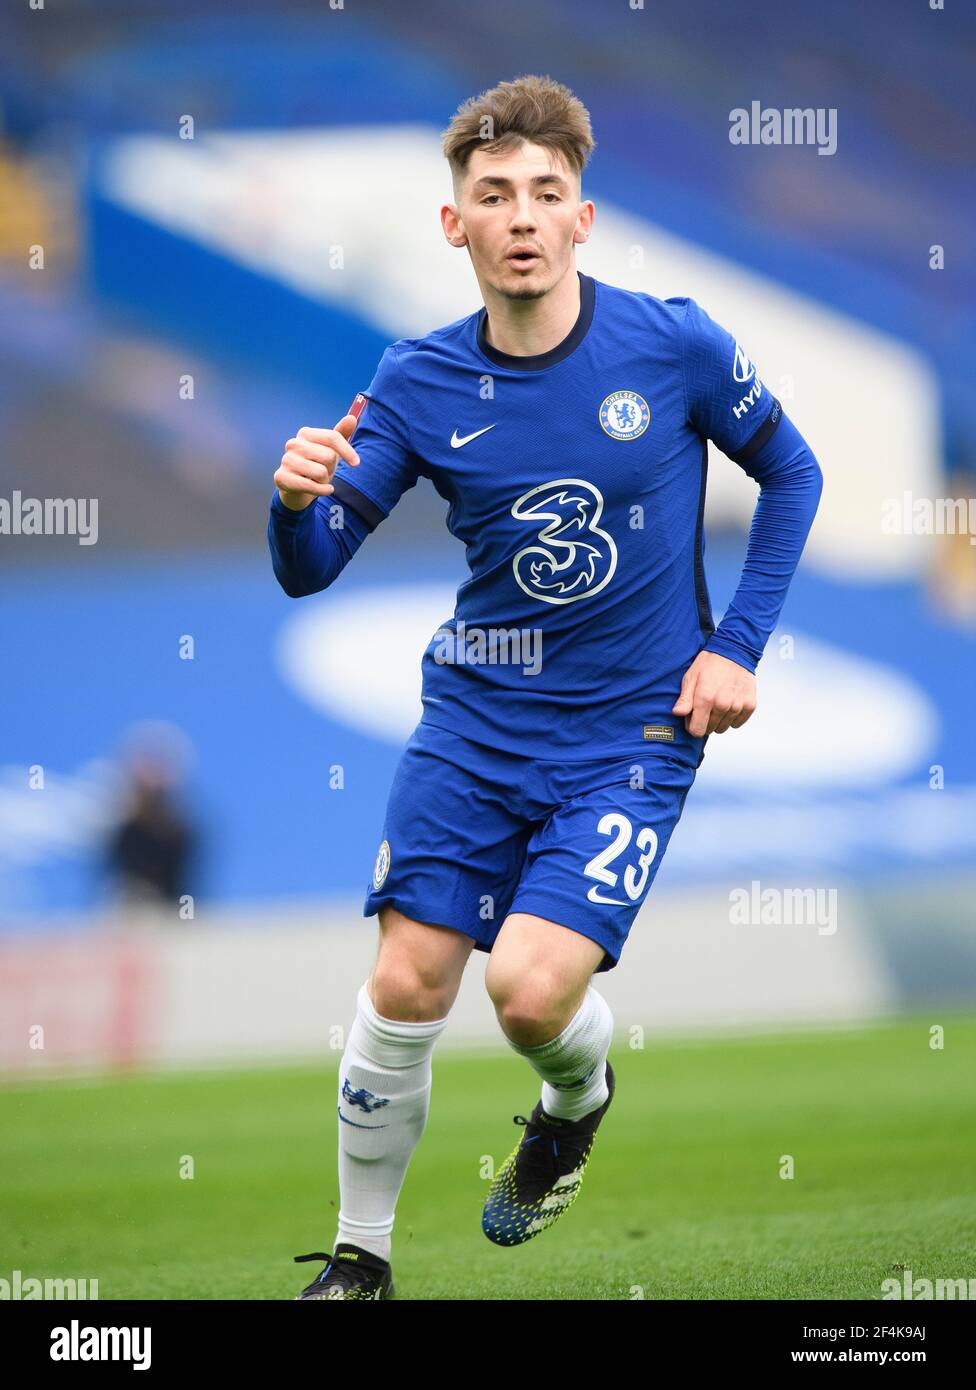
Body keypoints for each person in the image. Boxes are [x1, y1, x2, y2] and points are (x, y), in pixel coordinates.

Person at [268, 74, 823, 1301]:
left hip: (631, 729)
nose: (521, 215)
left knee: (526, 993)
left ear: (583, 218)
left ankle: (576, 1095)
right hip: (475, 715)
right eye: (493, 194)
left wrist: (736, 644)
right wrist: (292, 502)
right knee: (409, 976)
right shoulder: (414, 381)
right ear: (453, 224)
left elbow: (793, 472)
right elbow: (310, 571)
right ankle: (361, 1259)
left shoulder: (670, 344)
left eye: (545, 194)